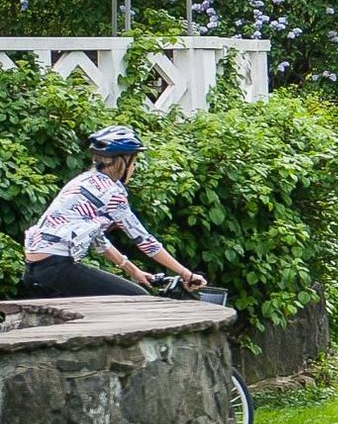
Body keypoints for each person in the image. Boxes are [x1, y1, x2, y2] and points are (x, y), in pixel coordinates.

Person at [22, 125, 206, 298]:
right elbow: (146, 241)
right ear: (122, 162)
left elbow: (98, 240)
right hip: (56, 268)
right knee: (138, 299)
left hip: (35, 270)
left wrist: (134, 271)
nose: (134, 168)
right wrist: (187, 274)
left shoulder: (84, 180)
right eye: (133, 161)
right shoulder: (112, 193)